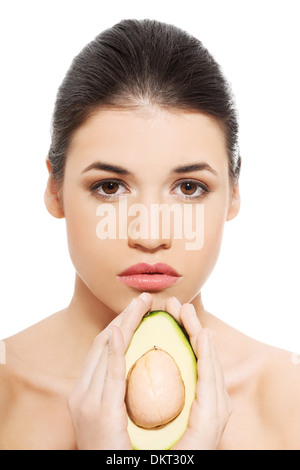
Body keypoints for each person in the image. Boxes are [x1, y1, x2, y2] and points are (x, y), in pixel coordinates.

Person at [1, 18, 299, 450]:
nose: (152, 233)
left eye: (189, 188)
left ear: (234, 194)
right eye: (110, 187)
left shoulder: (288, 402)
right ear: (55, 190)